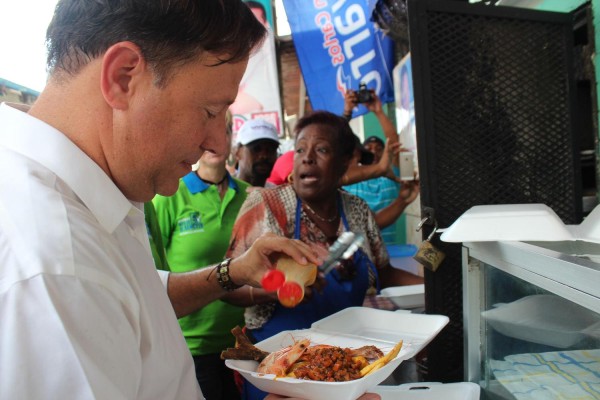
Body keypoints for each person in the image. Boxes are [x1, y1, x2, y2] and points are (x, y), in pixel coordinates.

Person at [0, 1, 323, 399]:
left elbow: (132, 299)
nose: (216, 144)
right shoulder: (57, 263)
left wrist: (234, 271)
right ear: (123, 77)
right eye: (209, 111)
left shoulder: (84, 198)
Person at [224, 110, 423, 400]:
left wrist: (430, 288)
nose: (307, 158)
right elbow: (228, 286)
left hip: (345, 368)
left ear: (344, 163)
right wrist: (277, 290)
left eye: (322, 150)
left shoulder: (358, 211)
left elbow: (386, 271)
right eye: (301, 149)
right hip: (280, 371)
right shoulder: (267, 206)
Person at [152, 112, 248, 400]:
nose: (217, 140)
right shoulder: (170, 195)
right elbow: (152, 276)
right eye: (207, 129)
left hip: (241, 341)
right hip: (189, 344)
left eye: (226, 130)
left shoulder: (249, 195)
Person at [342, 90, 419, 245]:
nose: (374, 151)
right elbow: (337, 141)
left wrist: (378, 111)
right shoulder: (351, 181)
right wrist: (347, 112)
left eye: (379, 148)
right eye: (368, 148)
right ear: (358, 156)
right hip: (359, 253)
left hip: (390, 252)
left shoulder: (392, 178)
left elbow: (394, 142)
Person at [234, 118, 280, 187]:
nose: (264, 156)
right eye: (256, 149)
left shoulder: (277, 195)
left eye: (271, 150)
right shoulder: (222, 193)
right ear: (238, 152)